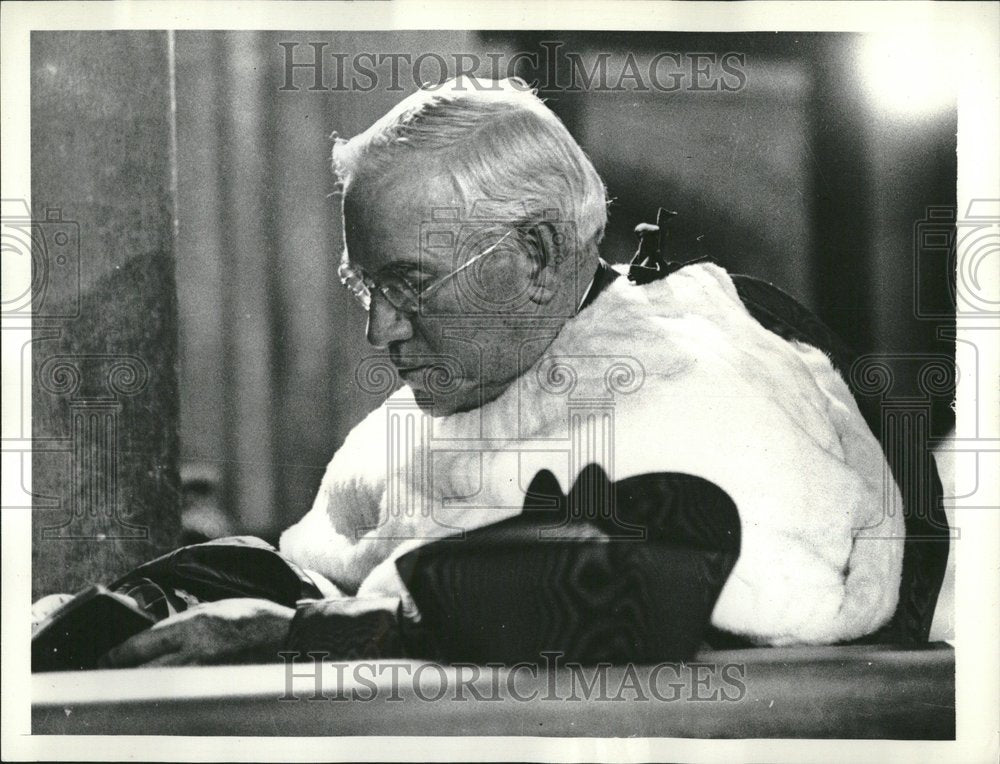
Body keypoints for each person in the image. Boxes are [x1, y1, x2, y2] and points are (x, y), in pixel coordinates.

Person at [98, 77, 911, 668]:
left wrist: (302, 632)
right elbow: (321, 565)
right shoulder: (468, 383)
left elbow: (628, 585)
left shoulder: (696, 391)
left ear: (537, 256)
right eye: (365, 286)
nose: (379, 329)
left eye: (411, 285)